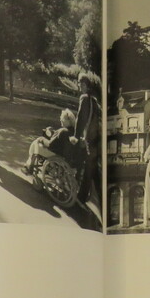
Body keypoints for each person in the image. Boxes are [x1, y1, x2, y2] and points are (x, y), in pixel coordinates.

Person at [74, 72, 101, 202]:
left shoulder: (84, 98)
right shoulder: (94, 100)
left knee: (89, 166)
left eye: (79, 83)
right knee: (94, 169)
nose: (78, 86)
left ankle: (82, 196)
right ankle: (101, 196)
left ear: (84, 84)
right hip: (97, 137)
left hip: (90, 138)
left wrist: (75, 136)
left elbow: (80, 119)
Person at [24, 109, 78, 173]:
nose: (60, 120)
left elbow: (50, 145)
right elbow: (59, 139)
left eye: (61, 119)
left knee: (36, 143)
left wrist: (42, 139)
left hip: (56, 154)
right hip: (65, 156)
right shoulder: (73, 132)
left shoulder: (62, 131)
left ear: (65, 120)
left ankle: (29, 166)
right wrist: (53, 133)